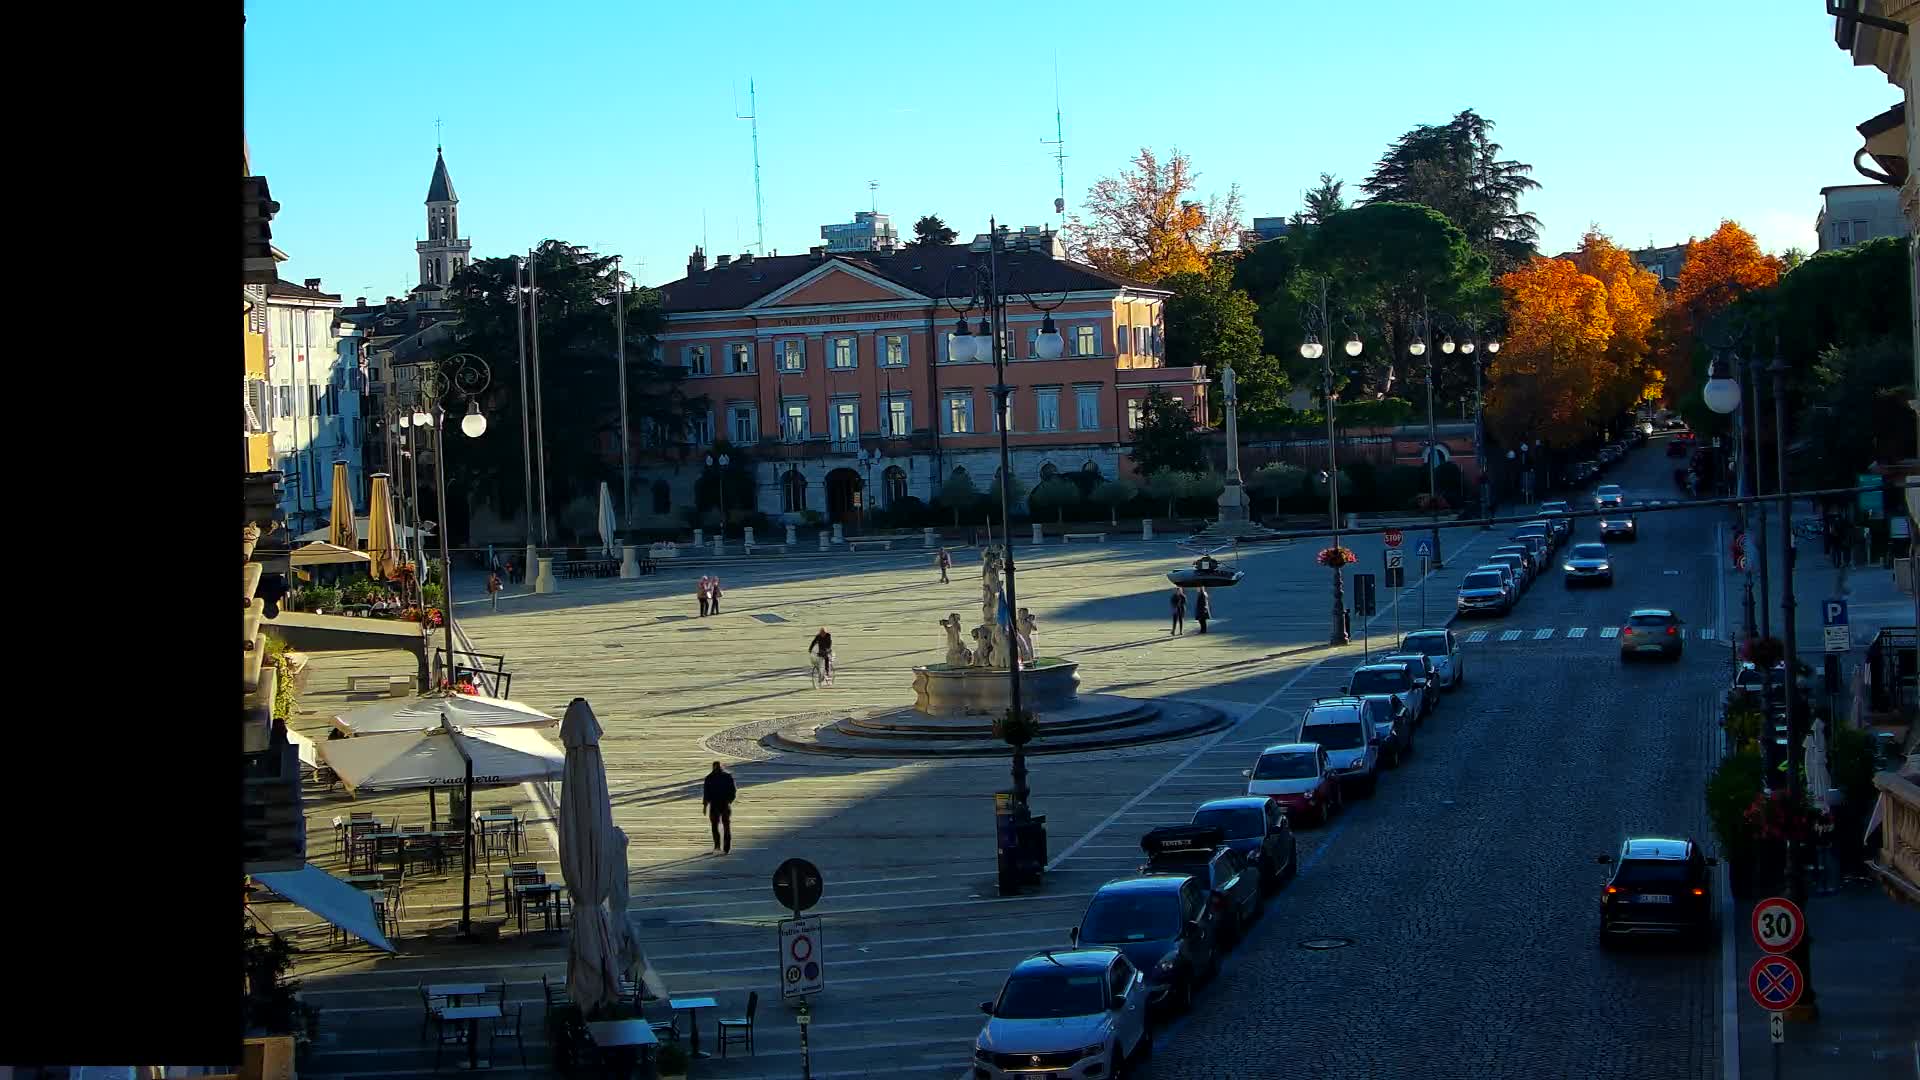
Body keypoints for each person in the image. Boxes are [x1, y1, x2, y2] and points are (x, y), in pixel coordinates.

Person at [701, 761, 737, 855]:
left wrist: (705, 805)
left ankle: (718, 846)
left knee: (716, 826)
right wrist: (729, 801)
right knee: (725, 826)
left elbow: (706, 793)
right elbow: (733, 791)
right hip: (724, 804)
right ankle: (726, 848)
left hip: (716, 804)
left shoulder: (709, 778)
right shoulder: (727, 776)